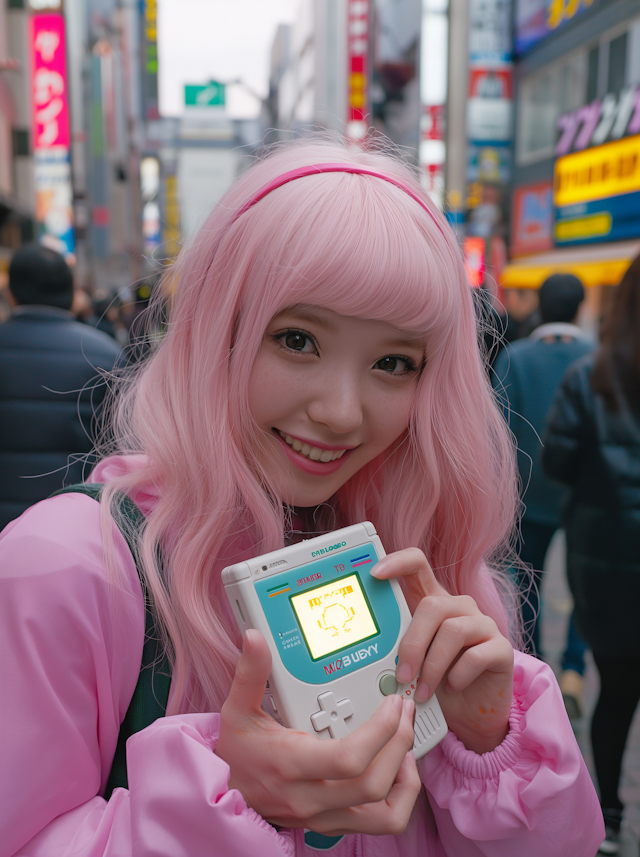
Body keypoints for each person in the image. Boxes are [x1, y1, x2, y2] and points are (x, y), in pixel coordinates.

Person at [0, 140, 603, 857]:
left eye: (393, 362)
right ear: (215, 331)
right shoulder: (68, 567)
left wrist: (492, 744)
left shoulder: (433, 569)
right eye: (296, 339)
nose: (342, 412)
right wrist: (231, 806)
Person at [543, 252, 640, 855]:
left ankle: (608, 815)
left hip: (607, 565)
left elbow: (558, 461)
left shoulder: (591, 376)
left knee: (617, 690)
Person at [492, 274, 593, 717]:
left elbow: (493, 428)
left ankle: (535, 670)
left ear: (541, 305)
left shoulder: (516, 357)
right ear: (579, 308)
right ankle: (574, 669)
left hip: (527, 495)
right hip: (585, 497)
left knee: (528, 586)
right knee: (583, 588)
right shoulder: (597, 360)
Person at [0, 244, 121, 530]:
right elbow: (122, 448)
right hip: (73, 525)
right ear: (72, 294)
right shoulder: (104, 354)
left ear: (10, 293)